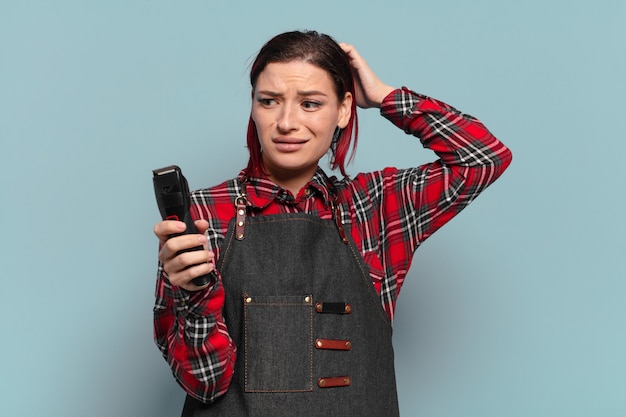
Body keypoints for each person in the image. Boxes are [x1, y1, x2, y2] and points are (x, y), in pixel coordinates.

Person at [153, 30, 512, 417]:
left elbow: (483, 158)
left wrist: (385, 97)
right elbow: (205, 383)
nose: (287, 122)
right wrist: (195, 295)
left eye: (310, 103)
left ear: (343, 109)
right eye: (269, 101)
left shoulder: (374, 208)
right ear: (253, 107)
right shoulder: (204, 214)